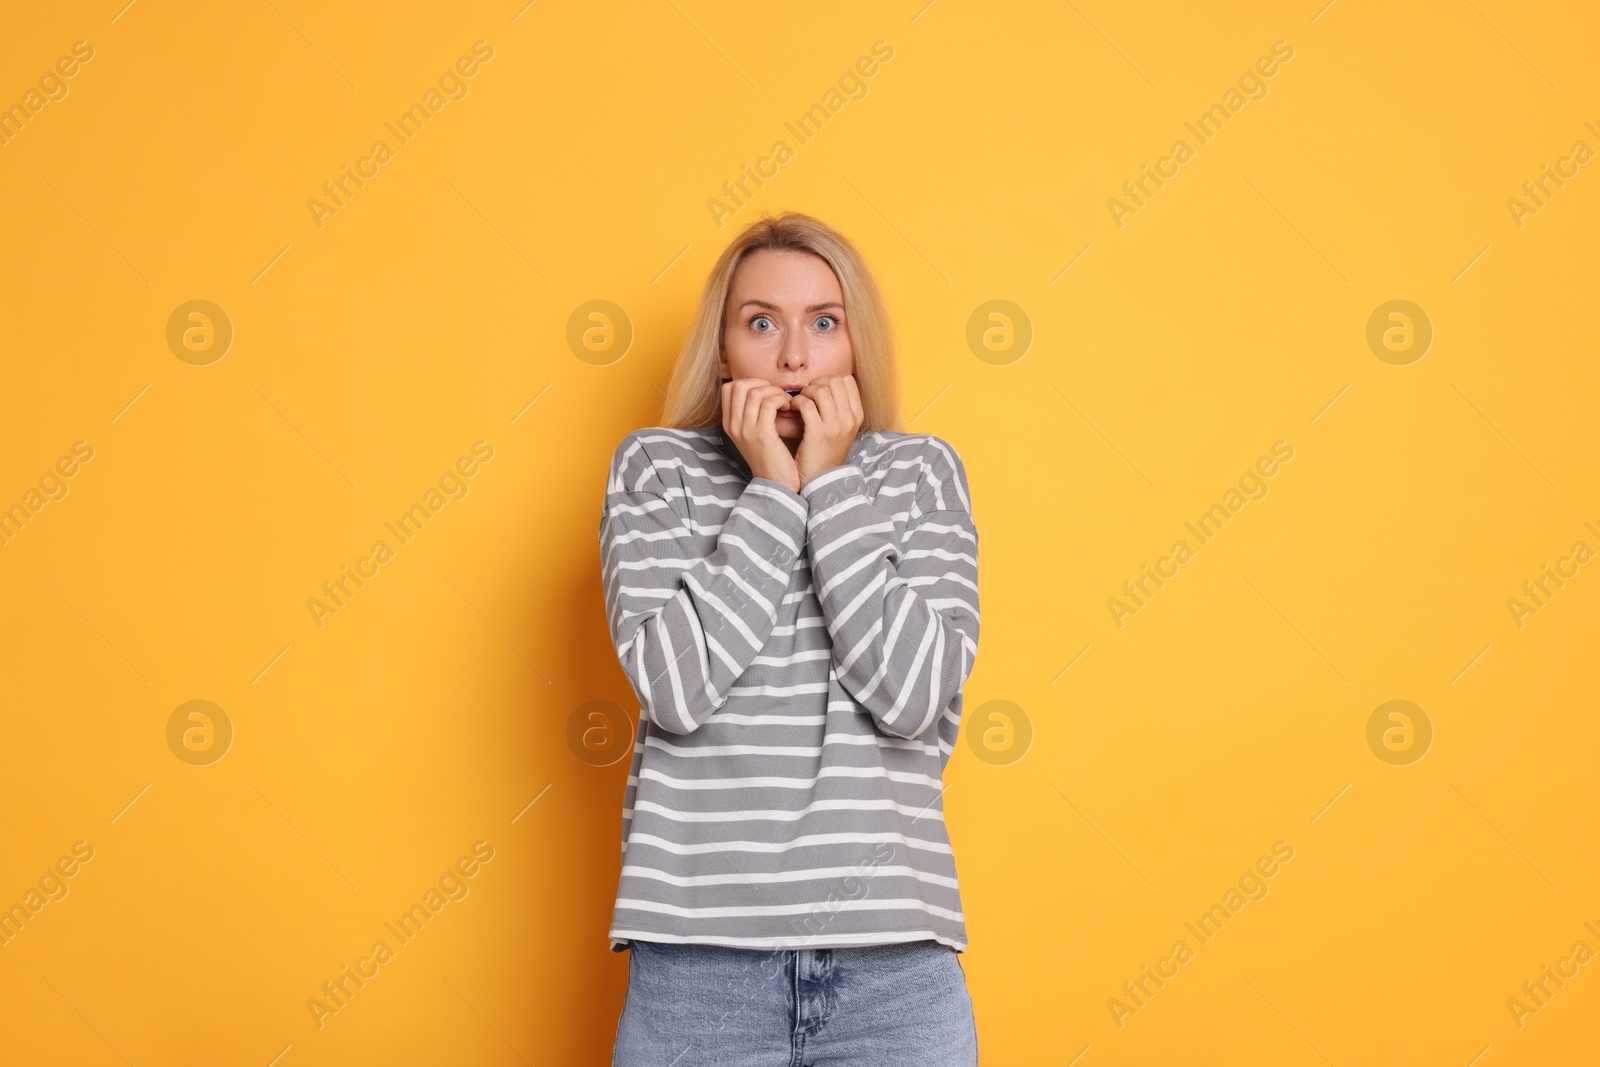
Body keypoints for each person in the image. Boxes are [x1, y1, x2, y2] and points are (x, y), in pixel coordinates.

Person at [599, 211, 981, 1065]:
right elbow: (676, 687)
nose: (795, 359)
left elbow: (913, 696)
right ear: (725, 348)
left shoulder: (921, 473)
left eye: (825, 323)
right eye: (762, 322)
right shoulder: (657, 469)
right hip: (697, 970)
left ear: (857, 345)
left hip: (896, 973)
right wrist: (773, 491)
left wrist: (833, 485)